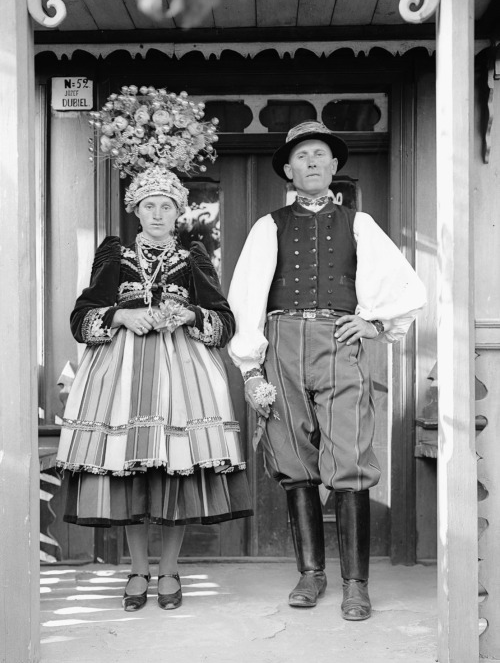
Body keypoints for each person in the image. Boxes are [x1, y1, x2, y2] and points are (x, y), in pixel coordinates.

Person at [56, 87, 252, 613]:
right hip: (119, 375)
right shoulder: (113, 254)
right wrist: (120, 314)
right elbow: (81, 317)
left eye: (168, 205)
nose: (159, 213)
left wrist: (190, 314)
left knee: (174, 473)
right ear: (135, 210)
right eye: (150, 205)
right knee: (130, 475)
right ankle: (137, 571)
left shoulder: (194, 258)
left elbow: (225, 320)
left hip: (181, 373)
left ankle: (169, 572)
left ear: (180, 211)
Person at [227, 120, 426, 620]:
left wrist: (374, 324)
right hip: (281, 342)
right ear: (288, 171)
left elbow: (406, 286)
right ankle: (311, 574)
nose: (311, 163)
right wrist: (251, 369)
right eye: (301, 157)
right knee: (294, 461)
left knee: (349, 461)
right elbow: (245, 296)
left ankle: (355, 585)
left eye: (320, 155)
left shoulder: (359, 223)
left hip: (337, 342)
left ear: (334, 166)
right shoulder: (268, 225)